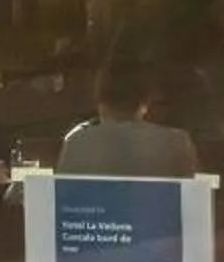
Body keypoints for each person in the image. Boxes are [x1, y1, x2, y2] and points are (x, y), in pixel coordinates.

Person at [57, 48, 199, 178]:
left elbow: (64, 200)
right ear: (145, 103)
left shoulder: (77, 143)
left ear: (99, 100)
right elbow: (188, 200)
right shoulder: (177, 143)